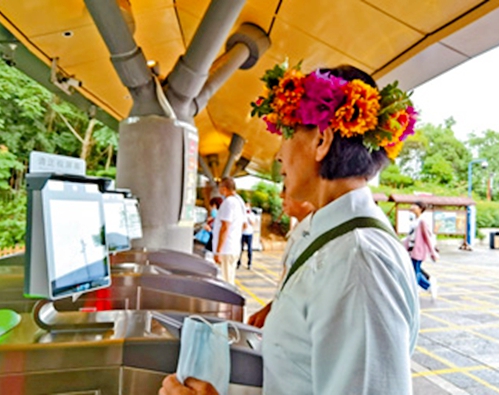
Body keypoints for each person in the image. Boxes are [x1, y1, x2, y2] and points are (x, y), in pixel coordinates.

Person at [161, 64, 420, 394]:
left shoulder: (356, 264)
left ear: (321, 140)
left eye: (285, 135)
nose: (279, 156)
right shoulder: (328, 239)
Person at [247, 186, 315, 328]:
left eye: (286, 188)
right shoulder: (299, 230)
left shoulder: (315, 234)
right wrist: (272, 307)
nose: (281, 195)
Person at [212, 177, 245, 285]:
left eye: (220, 187)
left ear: (224, 188)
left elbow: (225, 227)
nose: (219, 190)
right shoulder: (238, 202)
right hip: (233, 248)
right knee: (229, 279)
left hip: (226, 249)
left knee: (225, 283)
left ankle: (228, 303)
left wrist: (218, 251)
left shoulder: (228, 203)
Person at [405, 201, 439, 300]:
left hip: (418, 250)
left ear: (420, 208)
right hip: (411, 250)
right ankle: (429, 285)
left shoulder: (422, 221)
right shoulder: (415, 221)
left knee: (415, 271)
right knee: (414, 270)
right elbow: (410, 236)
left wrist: (433, 252)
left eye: (414, 205)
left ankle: (425, 286)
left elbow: (427, 237)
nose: (412, 207)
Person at [237, 202, 256, 270]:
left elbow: (253, 223)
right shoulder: (242, 214)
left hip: (249, 233)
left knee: (249, 249)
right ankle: (238, 263)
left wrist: (248, 218)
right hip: (242, 234)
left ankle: (249, 263)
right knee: (240, 249)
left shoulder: (252, 215)